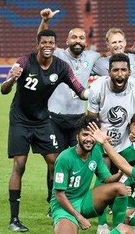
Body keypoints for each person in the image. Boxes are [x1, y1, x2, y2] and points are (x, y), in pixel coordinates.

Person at [2, 29, 88, 232]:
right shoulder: (24, 62)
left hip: (42, 121)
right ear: (38, 44)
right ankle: (14, 219)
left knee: (54, 162)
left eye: (51, 43)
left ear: (56, 46)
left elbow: (79, 89)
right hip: (20, 121)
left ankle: (55, 206)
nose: (48, 45)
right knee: (19, 165)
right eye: (44, 42)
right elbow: (3, 90)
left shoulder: (61, 67)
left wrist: (94, 94)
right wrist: (12, 79)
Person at [87, 53, 135, 234]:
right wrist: (101, 136)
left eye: (123, 70)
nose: (119, 74)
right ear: (108, 72)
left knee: (129, 178)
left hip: (125, 141)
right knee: (104, 178)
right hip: (102, 140)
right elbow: (90, 120)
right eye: (115, 70)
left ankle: (121, 222)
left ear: (129, 72)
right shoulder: (97, 88)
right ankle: (102, 223)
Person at [51, 116, 129, 234]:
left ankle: (118, 232)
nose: (88, 139)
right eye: (84, 134)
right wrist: (79, 218)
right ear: (77, 137)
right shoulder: (64, 158)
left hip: (85, 200)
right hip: (64, 206)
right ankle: (65, 225)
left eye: (92, 135)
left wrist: (120, 174)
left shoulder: (96, 152)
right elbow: (59, 196)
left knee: (120, 188)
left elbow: (106, 179)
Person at [37, 9, 100, 155]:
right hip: (54, 118)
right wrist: (45, 21)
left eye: (81, 38)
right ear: (67, 41)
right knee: (54, 160)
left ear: (86, 41)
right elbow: (43, 41)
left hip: (78, 119)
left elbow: (111, 60)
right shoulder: (57, 55)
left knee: (78, 158)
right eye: (74, 37)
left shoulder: (93, 57)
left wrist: (132, 52)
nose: (78, 40)